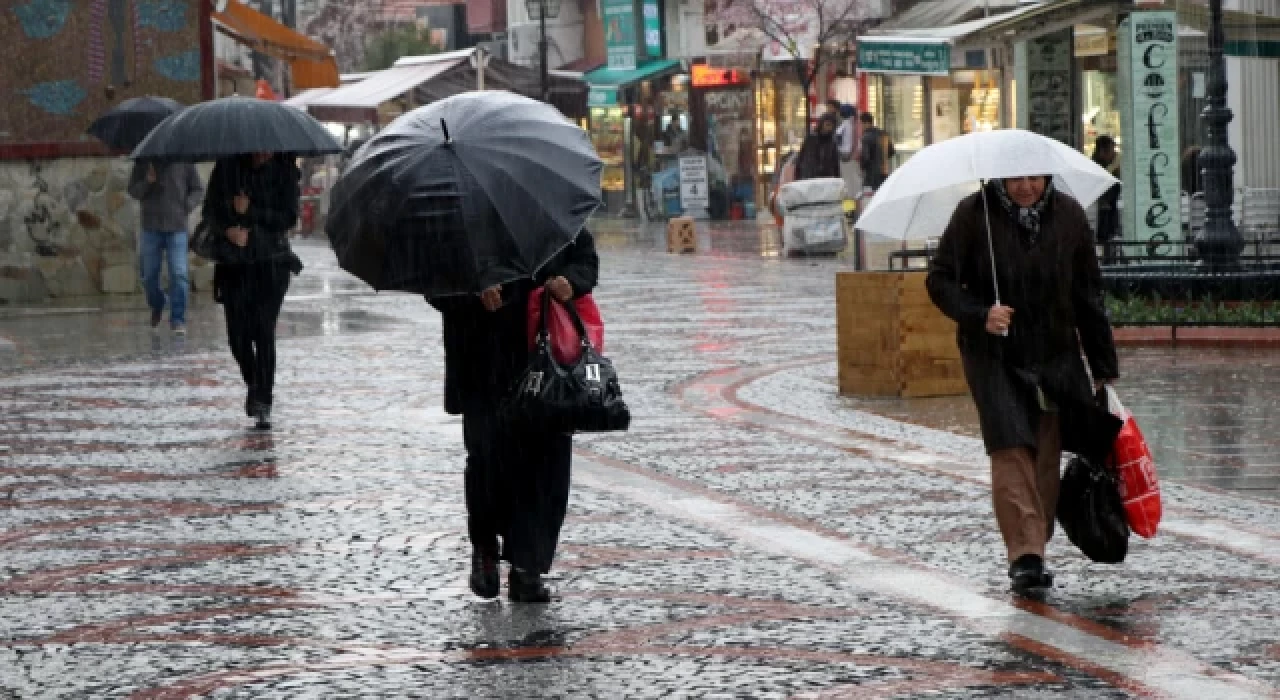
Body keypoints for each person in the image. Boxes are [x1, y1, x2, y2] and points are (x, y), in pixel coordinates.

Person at [926, 176, 1119, 593]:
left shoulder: (1068, 216)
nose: (1026, 186)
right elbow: (939, 280)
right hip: (993, 355)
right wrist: (980, 313)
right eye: (1017, 178)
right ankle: (1025, 555)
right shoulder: (973, 213)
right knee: (1010, 444)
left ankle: (1036, 541)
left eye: (1034, 177)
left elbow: (1088, 293)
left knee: (1045, 448)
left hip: (1053, 353)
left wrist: (1102, 363)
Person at [429, 227, 600, 604]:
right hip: (483, 364)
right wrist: (473, 291)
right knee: (488, 461)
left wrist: (570, 282)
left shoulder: (552, 212)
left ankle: (528, 567)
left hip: (546, 361)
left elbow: (586, 260)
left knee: (547, 464)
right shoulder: (458, 218)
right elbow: (435, 279)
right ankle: (485, 550)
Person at [202, 152, 303, 430]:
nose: (262, 154)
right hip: (235, 264)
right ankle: (255, 383)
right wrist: (228, 230)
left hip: (271, 262)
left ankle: (263, 401)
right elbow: (210, 212)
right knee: (237, 336)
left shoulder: (284, 170)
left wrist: (251, 212)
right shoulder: (227, 167)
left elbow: (288, 218)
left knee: (263, 331)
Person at [127, 159, 204, 334]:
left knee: (179, 274)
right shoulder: (143, 161)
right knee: (148, 276)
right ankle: (158, 303)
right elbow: (133, 190)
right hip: (151, 227)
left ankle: (178, 319)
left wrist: (187, 205)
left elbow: (198, 189)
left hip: (177, 227)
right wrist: (148, 182)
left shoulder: (184, 160)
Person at [1092, 135, 1122, 265]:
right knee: (1105, 235)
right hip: (1103, 209)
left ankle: (1109, 260)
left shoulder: (1116, 165)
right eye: (1110, 150)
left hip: (1112, 207)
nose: (1113, 153)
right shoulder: (1096, 165)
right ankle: (1107, 261)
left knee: (1111, 235)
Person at [793, 113, 842, 181]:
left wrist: (837, 179)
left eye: (832, 126)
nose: (829, 128)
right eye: (827, 125)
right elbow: (801, 156)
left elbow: (835, 162)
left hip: (825, 177)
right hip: (809, 176)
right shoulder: (811, 138)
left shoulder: (832, 142)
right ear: (822, 124)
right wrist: (797, 175)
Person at [859, 112, 896, 191]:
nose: (861, 127)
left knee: (872, 194)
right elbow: (891, 152)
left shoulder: (866, 137)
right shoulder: (884, 134)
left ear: (866, 123)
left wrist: (862, 166)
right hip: (885, 170)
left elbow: (866, 158)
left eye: (861, 124)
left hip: (872, 174)